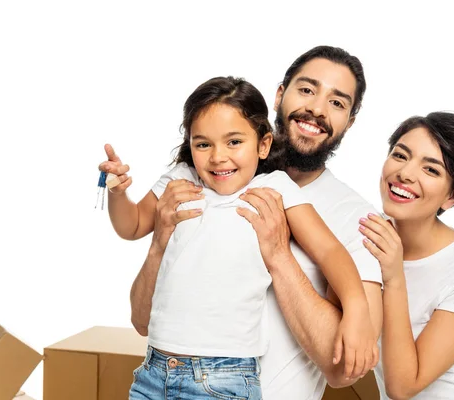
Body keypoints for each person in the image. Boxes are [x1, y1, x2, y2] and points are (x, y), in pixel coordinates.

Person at [105, 46, 384, 399]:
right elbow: (131, 227)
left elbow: (329, 250)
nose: (218, 156)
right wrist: (118, 193)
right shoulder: (183, 179)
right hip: (156, 368)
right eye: (203, 144)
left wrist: (357, 310)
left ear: (262, 143)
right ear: (280, 94)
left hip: (224, 377)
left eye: (337, 101)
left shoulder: (278, 191)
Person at [359, 112, 454, 399]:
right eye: (400, 155)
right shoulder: (366, 238)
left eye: (431, 170)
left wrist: (395, 276)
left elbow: (402, 387)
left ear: (453, 196)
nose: (406, 174)